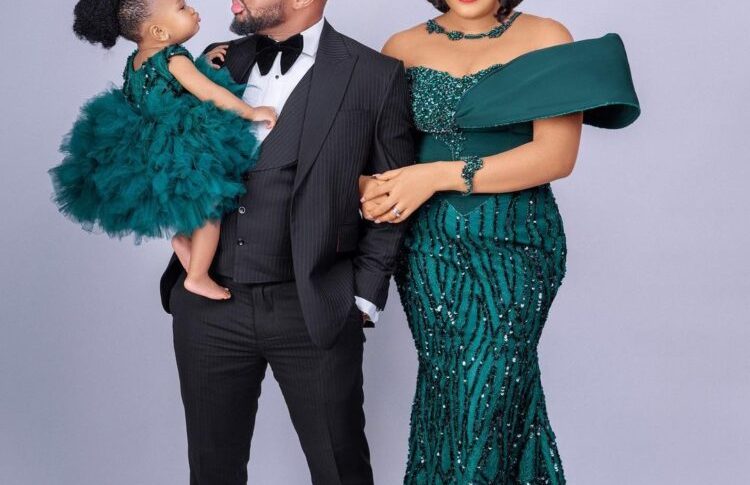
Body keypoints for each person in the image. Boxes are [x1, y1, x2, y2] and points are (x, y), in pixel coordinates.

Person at [359, 0, 641, 483]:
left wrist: (438, 175)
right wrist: (367, 187)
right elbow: (377, 153)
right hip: (427, 246)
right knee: (448, 386)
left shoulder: (547, 35)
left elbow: (556, 157)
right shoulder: (402, 46)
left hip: (516, 241)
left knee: (490, 387)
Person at [158, 0, 414, 483]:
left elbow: (393, 195)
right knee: (211, 471)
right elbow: (162, 145)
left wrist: (363, 297)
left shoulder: (374, 75)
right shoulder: (212, 62)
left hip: (314, 303)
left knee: (340, 469)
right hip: (208, 305)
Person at [48, 0, 277, 301]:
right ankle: (197, 276)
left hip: (148, 146)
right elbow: (209, 91)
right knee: (211, 203)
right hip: (183, 140)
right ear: (159, 31)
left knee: (190, 197)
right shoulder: (174, 59)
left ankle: (184, 240)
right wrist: (250, 111)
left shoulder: (136, 61)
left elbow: (163, 88)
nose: (192, 9)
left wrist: (200, 64)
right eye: (181, 8)